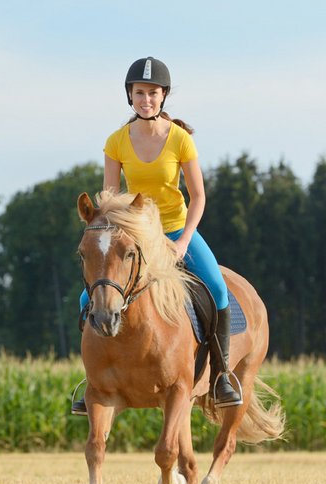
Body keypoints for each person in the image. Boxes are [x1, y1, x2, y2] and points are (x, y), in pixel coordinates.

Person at [72, 56, 242, 415]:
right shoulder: (116, 142)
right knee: (85, 299)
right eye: (139, 93)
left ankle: (222, 376)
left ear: (163, 96)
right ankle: (93, 383)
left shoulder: (180, 139)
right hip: (135, 233)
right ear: (129, 97)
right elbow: (110, 199)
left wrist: (182, 242)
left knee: (216, 286)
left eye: (152, 93)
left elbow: (198, 197)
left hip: (178, 229)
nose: (146, 99)